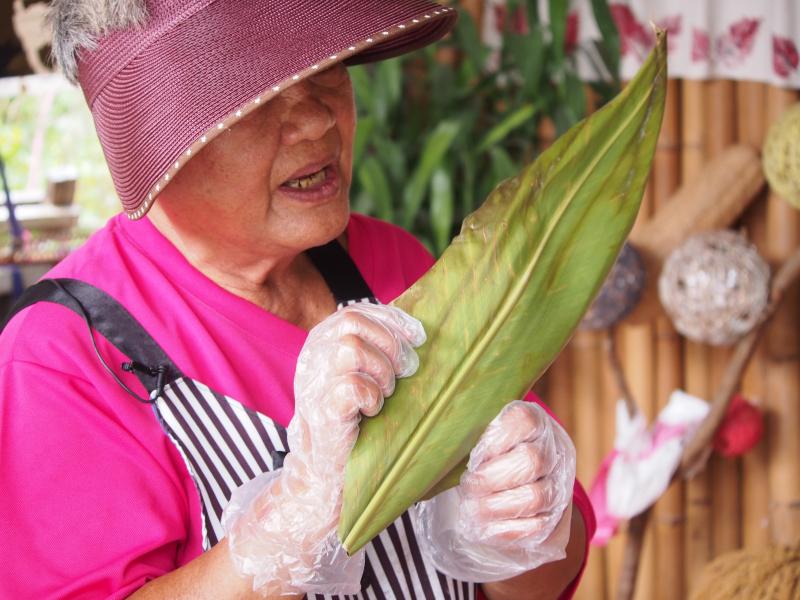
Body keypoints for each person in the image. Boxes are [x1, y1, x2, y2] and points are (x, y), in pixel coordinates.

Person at [0, 1, 596, 598]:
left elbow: (546, 577)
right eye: (255, 99)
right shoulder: (62, 354)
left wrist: (509, 532)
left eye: (328, 71)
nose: (317, 123)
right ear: (153, 143)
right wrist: (294, 516)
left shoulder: (389, 265)